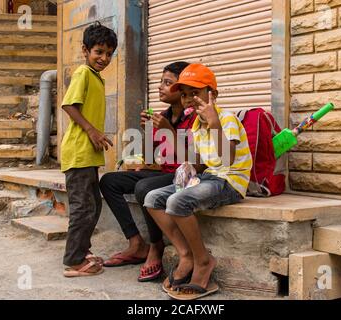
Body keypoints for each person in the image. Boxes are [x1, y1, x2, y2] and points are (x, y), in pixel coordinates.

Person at [144, 63, 253, 300]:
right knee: (152, 198)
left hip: (230, 181)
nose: (189, 99)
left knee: (177, 202)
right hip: (208, 177)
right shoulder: (195, 124)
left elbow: (227, 160)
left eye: (195, 93)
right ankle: (187, 254)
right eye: (184, 94)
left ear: (212, 94)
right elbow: (199, 163)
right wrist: (186, 168)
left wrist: (214, 123)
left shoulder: (226, 119)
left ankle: (203, 260)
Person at [99, 62, 197, 282]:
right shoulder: (162, 115)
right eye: (160, 82)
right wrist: (149, 130)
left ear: (182, 89)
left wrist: (169, 130)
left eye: (167, 83)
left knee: (143, 187)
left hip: (186, 174)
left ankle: (156, 246)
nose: (160, 87)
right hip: (164, 173)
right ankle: (136, 243)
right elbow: (150, 158)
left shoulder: (195, 118)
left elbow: (195, 161)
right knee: (108, 181)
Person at [61, 22, 117, 277]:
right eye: (99, 52)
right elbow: (69, 105)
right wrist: (92, 130)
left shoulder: (97, 77)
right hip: (78, 153)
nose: (104, 58)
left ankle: (81, 251)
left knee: (92, 205)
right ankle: (74, 261)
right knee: (84, 208)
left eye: (109, 53)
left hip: (88, 155)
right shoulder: (83, 73)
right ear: (85, 50)